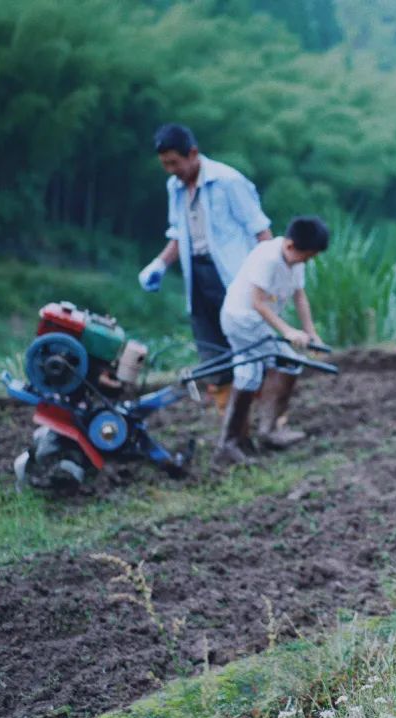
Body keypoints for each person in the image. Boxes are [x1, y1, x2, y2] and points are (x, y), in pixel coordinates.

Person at [138, 123, 273, 411]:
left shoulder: (228, 181)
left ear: (193, 153)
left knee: (246, 346)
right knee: (210, 345)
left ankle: (260, 413)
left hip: (233, 275)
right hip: (197, 274)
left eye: (175, 162)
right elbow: (178, 234)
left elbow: (261, 230)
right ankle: (228, 414)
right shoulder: (174, 187)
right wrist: (159, 264)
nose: (170, 169)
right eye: (165, 164)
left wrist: (268, 278)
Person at [215, 215, 329, 465]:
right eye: (307, 256)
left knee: (265, 369)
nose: (307, 261)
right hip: (242, 319)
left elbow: (300, 296)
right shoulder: (267, 258)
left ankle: (250, 436)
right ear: (290, 246)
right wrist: (288, 332)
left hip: (258, 321)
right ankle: (242, 440)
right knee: (274, 364)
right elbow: (258, 302)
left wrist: (310, 332)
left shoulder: (295, 261)